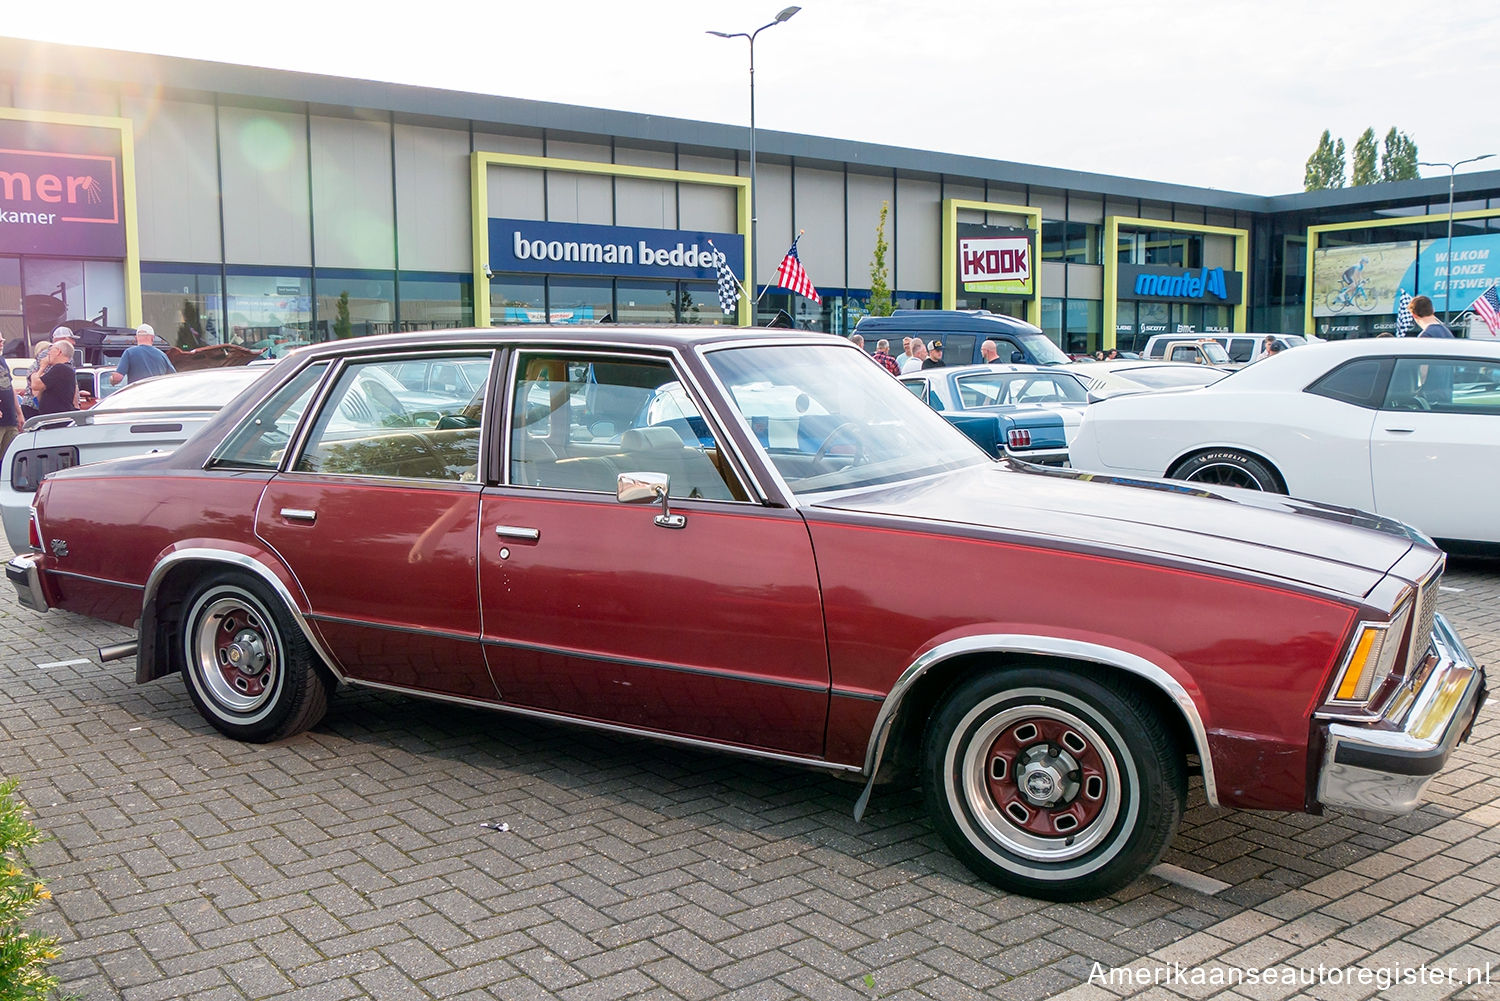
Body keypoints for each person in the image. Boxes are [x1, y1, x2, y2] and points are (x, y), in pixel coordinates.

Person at [111, 323, 176, 385]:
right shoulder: (162, 355)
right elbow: (174, 377)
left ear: (136, 338)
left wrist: (112, 379)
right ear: (152, 338)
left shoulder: (129, 353)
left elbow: (117, 378)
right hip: (157, 394)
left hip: (137, 394)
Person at [30, 340, 79, 415]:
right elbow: (38, 393)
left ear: (58, 351)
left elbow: (35, 385)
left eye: (51, 350)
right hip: (54, 416)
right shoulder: (66, 368)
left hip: (56, 418)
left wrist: (41, 368)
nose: (48, 353)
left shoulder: (60, 368)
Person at [17, 337, 53, 420]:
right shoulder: (36, 367)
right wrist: (43, 409)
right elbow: (36, 391)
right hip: (32, 406)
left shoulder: (47, 367)